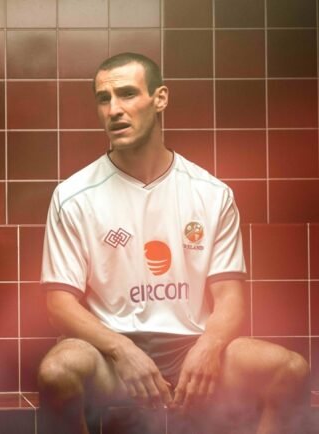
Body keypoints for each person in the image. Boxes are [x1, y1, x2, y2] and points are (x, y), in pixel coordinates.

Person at [37, 52, 309, 434]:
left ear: (160, 98)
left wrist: (209, 348)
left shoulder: (210, 193)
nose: (114, 109)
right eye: (104, 98)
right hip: (111, 355)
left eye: (128, 94)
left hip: (190, 349)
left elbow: (230, 296)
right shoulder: (74, 195)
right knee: (56, 371)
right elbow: (59, 305)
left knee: (289, 370)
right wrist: (122, 350)